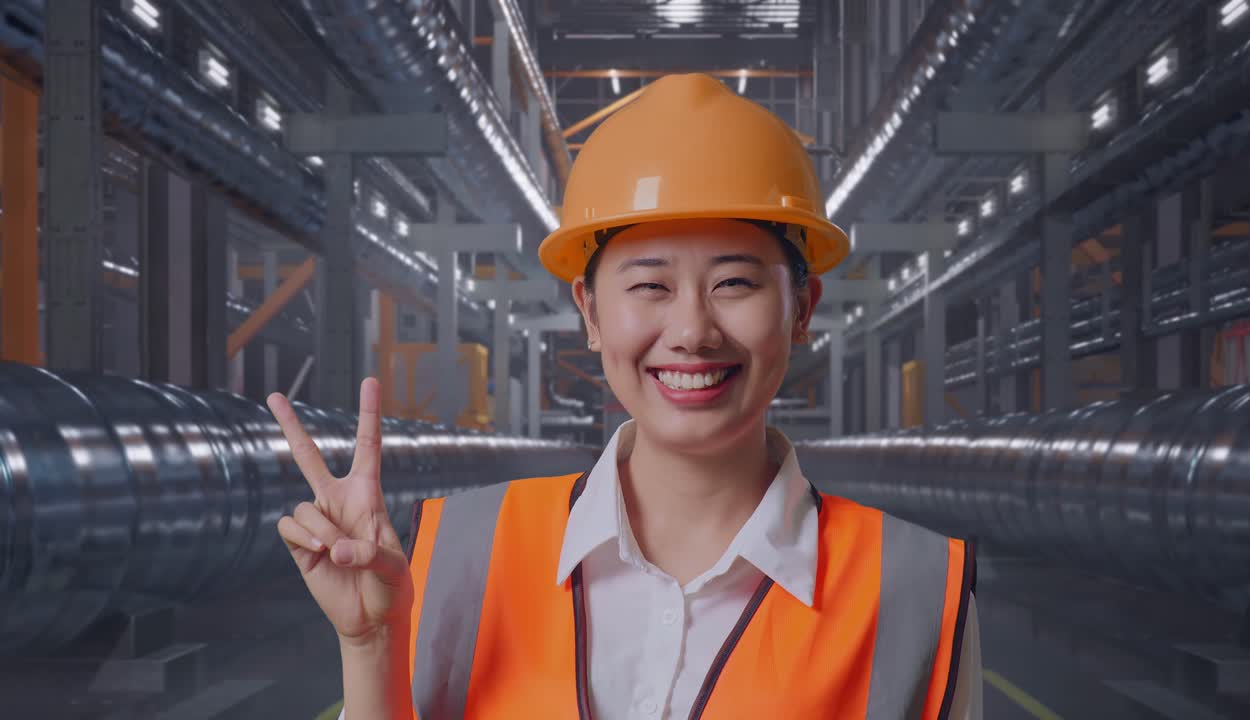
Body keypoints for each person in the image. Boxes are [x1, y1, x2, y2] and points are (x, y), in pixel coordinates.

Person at [268, 72, 981, 720]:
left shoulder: (916, 588)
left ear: (801, 308)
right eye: (650, 286)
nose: (693, 331)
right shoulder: (456, 555)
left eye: (735, 282)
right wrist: (370, 650)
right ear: (589, 309)